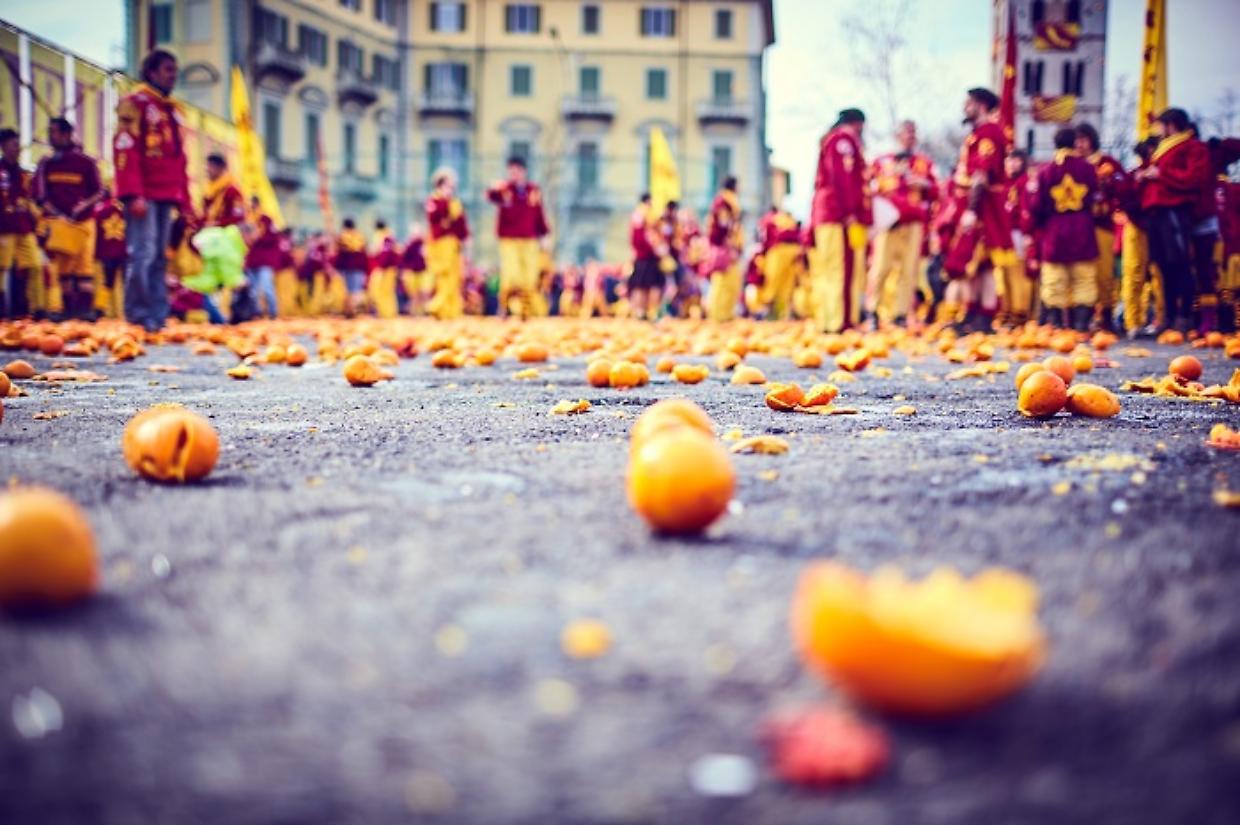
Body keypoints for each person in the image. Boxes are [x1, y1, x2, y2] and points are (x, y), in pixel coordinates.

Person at [113, 49, 189, 332]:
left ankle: (157, 316)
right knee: (142, 252)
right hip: (143, 194)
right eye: (168, 69)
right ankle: (138, 314)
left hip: (167, 194)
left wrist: (184, 200)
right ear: (151, 72)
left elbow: (180, 159)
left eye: (175, 70)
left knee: (159, 256)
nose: (173, 75)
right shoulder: (134, 103)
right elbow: (125, 148)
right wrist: (133, 193)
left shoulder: (173, 110)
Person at [941, 88, 1015, 331]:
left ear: (981, 105)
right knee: (976, 266)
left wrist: (972, 210)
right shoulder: (977, 134)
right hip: (977, 205)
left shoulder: (988, 133)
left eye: (969, 103)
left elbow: (981, 176)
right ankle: (972, 315)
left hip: (984, 208)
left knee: (982, 264)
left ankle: (983, 317)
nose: (965, 107)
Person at [1135, 107, 1212, 334]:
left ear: (1171, 125)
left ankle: (1184, 314)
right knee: (1162, 265)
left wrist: (1161, 175)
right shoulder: (1162, 149)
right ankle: (1168, 315)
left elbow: (1196, 178)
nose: (1157, 130)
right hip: (1155, 212)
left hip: (1174, 210)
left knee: (1179, 262)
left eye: (1161, 125)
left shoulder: (1192, 147)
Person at [866, 119, 938, 327]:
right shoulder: (881, 161)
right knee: (881, 267)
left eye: (913, 133)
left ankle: (901, 314)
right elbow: (868, 186)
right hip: (889, 222)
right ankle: (873, 311)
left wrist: (925, 184)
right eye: (906, 132)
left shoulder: (923, 163)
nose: (910, 137)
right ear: (897, 135)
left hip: (914, 222)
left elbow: (936, 192)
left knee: (908, 270)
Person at [32, 118, 103, 320]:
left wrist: (83, 206)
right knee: (64, 268)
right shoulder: (46, 164)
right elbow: (39, 196)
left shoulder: (86, 162)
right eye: (49, 132)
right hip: (59, 224)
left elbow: (99, 191)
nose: (50, 136)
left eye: (54, 132)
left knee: (84, 267)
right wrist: (55, 213)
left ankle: (85, 311)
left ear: (66, 134)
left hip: (84, 223)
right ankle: (67, 312)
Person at [1031, 127, 1100, 330]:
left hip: (1055, 230)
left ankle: (1057, 324)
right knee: (1084, 277)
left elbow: (1037, 206)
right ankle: (1081, 325)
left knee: (1054, 278)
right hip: (1083, 228)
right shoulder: (1088, 169)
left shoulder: (1046, 171)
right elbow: (1095, 198)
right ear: (1074, 143)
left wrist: (1039, 226)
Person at [810, 108, 870, 332]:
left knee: (829, 269)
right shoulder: (843, 140)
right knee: (841, 268)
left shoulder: (830, 140)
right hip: (837, 215)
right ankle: (839, 322)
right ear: (858, 124)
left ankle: (828, 320)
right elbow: (842, 176)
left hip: (827, 214)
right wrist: (850, 210)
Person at [1075, 123, 1128, 331]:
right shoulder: (1073, 165)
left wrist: (1109, 185)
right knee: (1082, 273)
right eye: (1076, 141)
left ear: (1092, 140)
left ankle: (1106, 315)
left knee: (1104, 272)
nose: (1079, 145)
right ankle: (1083, 317)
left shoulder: (1107, 163)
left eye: (1083, 140)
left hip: (1102, 226)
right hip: (1079, 228)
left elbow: (1124, 187)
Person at [486, 156, 549, 318]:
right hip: (509, 239)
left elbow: (539, 214)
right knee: (512, 274)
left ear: (523, 171)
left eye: (517, 171)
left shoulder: (533, 190)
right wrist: (493, 188)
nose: (514, 175)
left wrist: (544, 235)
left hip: (530, 239)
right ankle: (504, 305)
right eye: (511, 171)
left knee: (529, 277)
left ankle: (525, 311)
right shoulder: (504, 189)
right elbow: (491, 196)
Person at [1, 127, 42, 318]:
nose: (17, 148)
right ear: (3, 146)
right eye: (14, 144)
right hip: (4, 228)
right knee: (2, 268)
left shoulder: (24, 173)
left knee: (34, 265)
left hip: (24, 228)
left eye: (18, 145)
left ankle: (34, 309)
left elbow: (30, 199)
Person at [425, 169, 469, 319]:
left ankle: (450, 311)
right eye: (447, 186)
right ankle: (437, 306)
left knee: (454, 277)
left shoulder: (455, 203)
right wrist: (446, 205)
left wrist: (465, 240)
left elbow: (462, 226)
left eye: (452, 187)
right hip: (440, 245)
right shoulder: (434, 201)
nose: (450, 190)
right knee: (443, 277)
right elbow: (434, 218)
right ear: (439, 185)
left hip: (453, 244)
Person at [1003, 149, 1038, 325]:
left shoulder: (1026, 182)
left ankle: (1020, 311)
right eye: (1010, 160)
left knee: (1019, 272)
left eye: (1016, 160)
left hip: (1019, 232)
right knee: (1006, 273)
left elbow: (1028, 210)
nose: (1012, 164)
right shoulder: (1006, 182)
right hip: (1006, 231)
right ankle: (1008, 310)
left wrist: (1027, 232)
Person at [705, 176, 744, 322]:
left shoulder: (729, 201)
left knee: (732, 281)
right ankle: (717, 314)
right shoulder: (723, 202)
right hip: (724, 248)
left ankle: (726, 313)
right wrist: (729, 244)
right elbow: (723, 225)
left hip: (728, 247)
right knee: (722, 281)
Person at [757, 204, 802, 320]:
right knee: (786, 285)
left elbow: (765, 239)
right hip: (794, 251)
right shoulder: (790, 219)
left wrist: (762, 254)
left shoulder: (769, 220)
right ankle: (783, 315)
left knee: (773, 284)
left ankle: (771, 313)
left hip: (777, 252)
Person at [627, 193, 664, 320]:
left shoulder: (648, 215)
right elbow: (638, 239)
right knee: (642, 286)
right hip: (644, 256)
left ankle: (647, 311)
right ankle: (641, 311)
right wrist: (652, 249)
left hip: (648, 256)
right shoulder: (640, 215)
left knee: (650, 285)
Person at [92, 188, 127, 318]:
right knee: (125, 283)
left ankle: (101, 310)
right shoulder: (123, 211)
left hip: (106, 253)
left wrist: (96, 253)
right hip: (123, 252)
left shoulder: (99, 211)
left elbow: (95, 235)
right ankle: (124, 311)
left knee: (107, 283)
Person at [243, 214, 281, 318]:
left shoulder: (267, 221)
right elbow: (247, 242)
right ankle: (256, 313)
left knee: (266, 287)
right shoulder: (251, 221)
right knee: (253, 290)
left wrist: (258, 235)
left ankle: (273, 313)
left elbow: (274, 238)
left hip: (265, 263)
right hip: (252, 263)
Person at [333, 217, 369, 316]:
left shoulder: (343, 236)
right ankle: (351, 310)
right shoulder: (361, 237)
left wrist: (337, 267)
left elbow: (339, 252)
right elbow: (364, 253)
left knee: (347, 290)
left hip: (346, 267)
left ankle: (348, 310)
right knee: (355, 290)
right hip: (359, 267)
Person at [399, 223, 428, 316]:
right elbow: (404, 259)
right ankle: (415, 312)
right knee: (414, 294)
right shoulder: (410, 246)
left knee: (422, 293)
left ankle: (421, 311)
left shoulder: (425, 244)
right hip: (413, 273)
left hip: (422, 272)